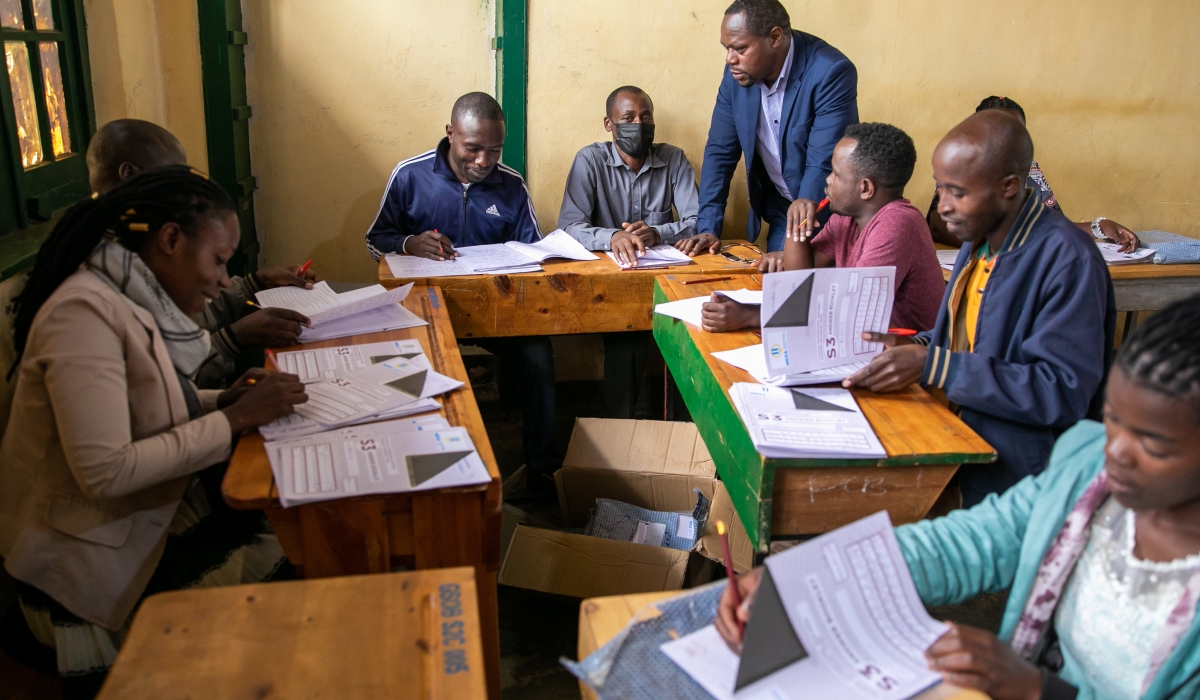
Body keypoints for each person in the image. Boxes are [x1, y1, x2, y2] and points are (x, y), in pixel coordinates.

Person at [717, 293, 1200, 700]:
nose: (1115, 451)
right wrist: (815, 575)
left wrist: (1041, 690)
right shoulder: (1086, 468)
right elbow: (972, 542)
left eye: (1152, 444)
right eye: (1112, 419)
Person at [0, 166, 308, 698]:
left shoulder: (125, 297)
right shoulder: (82, 314)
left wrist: (223, 398)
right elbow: (105, 469)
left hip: (119, 527)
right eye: (217, 260)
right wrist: (231, 420)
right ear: (169, 240)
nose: (223, 280)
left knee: (289, 542)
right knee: (283, 583)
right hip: (78, 568)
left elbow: (140, 404)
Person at [844, 110, 1115, 505]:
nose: (943, 206)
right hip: (958, 438)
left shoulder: (1067, 259)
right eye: (940, 189)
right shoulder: (980, 240)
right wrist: (913, 345)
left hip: (1022, 478)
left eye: (958, 192)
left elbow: (1061, 391)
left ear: (1009, 186)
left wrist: (934, 366)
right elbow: (970, 340)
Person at [365, 92, 559, 490]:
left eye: (494, 150)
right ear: (451, 134)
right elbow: (374, 239)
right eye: (473, 148)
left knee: (537, 354)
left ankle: (543, 470)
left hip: (497, 312)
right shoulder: (409, 175)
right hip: (427, 310)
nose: (484, 162)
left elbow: (534, 253)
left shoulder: (511, 185)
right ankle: (423, 470)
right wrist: (407, 243)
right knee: (408, 358)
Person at [86, 118, 320, 389]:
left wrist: (253, 284)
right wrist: (232, 341)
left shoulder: (144, 235)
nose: (180, 188)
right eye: (172, 174)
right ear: (128, 173)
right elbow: (153, 386)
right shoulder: (110, 267)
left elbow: (197, 317)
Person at [700, 122, 944, 334]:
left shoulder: (897, 224)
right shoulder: (847, 219)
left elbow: (849, 313)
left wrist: (751, 315)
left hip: (910, 368)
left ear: (866, 188)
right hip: (865, 351)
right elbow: (801, 284)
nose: (827, 180)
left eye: (836, 174)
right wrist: (796, 227)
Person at [558, 85, 700, 417]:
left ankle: (686, 436)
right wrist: (611, 237)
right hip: (614, 286)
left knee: (689, 336)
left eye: (645, 116)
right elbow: (567, 227)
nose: (638, 124)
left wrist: (658, 232)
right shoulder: (589, 161)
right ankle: (621, 433)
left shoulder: (673, 159)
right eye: (628, 117)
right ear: (609, 124)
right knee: (628, 341)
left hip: (669, 280)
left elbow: (699, 221)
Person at [691, 0, 857, 260]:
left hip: (824, 212)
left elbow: (822, 161)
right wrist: (709, 228)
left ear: (775, 37)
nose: (729, 59)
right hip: (782, 207)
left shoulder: (830, 72)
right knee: (773, 288)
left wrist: (796, 245)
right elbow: (719, 152)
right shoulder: (736, 74)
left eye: (740, 48)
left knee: (807, 292)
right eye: (726, 48)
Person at [929, 96, 1140, 253]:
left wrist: (1100, 226)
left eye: (1016, 132)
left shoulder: (1028, 170)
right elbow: (938, 227)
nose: (1008, 142)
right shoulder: (960, 167)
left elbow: (1054, 224)